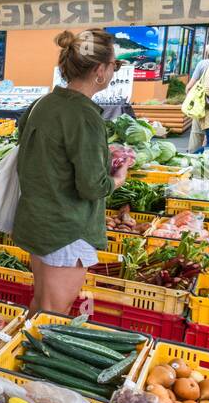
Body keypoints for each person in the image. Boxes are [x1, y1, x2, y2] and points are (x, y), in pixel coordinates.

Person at [13, 29, 127, 318]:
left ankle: (18, 357)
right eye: (116, 65)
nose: (115, 71)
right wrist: (116, 178)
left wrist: (99, 154)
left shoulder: (43, 103)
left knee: (40, 308)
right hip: (66, 229)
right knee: (53, 314)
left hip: (38, 221)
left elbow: (46, 153)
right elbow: (91, 186)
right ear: (100, 70)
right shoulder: (85, 115)